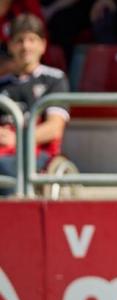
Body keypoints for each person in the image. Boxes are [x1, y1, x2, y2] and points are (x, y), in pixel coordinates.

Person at [0, 13, 69, 196]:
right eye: (19, 40)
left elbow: (55, 128)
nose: (25, 46)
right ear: (10, 46)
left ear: (43, 45)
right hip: (2, 150)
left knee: (5, 167)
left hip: (37, 154)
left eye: (32, 39)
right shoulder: (2, 84)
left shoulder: (54, 79)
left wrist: (17, 139)